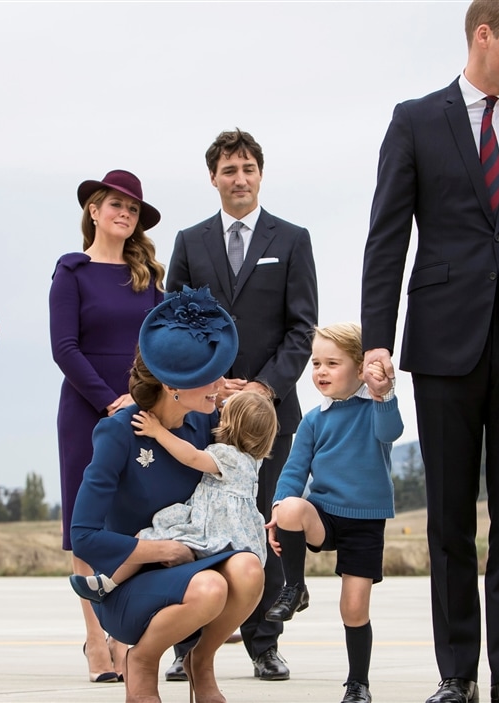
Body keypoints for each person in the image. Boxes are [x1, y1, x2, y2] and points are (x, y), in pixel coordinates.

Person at [359, 1, 499, 701]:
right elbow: (386, 238)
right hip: (441, 344)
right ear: (483, 36)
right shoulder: (414, 119)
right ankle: (456, 673)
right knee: (450, 519)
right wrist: (377, 340)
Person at [164, 128, 318, 682]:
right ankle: (186, 644)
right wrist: (209, 384)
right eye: (229, 169)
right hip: (202, 410)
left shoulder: (293, 239)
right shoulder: (189, 241)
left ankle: (263, 643)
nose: (240, 178)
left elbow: (303, 329)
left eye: (248, 168)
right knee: (196, 523)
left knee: (263, 525)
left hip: (268, 415)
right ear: (214, 178)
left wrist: (260, 388)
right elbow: (173, 325)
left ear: (260, 174)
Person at [71, 286, 265, 703]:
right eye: (209, 377)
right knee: (210, 588)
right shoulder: (119, 432)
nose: (220, 383)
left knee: (249, 568)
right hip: (129, 582)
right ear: (173, 385)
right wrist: (159, 550)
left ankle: (201, 660)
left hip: (194, 565)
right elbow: (84, 535)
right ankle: (142, 660)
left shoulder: (205, 431)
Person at [50, 169, 164, 682]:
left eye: (132, 208)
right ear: (93, 210)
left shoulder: (149, 278)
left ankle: (123, 636)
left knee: (131, 522)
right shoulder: (71, 271)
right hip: (86, 409)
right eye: (114, 204)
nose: (124, 213)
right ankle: (96, 642)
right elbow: (64, 348)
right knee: (87, 523)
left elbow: (164, 347)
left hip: (142, 412)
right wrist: (107, 400)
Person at [266, 322, 403, 703]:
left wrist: (384, 394)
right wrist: (278, 512)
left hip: (364, 523)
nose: (321, 372)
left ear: (361, 368)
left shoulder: (376, 409)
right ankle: (295, 587)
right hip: (323, 517)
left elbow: (391, 431)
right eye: (315, 364)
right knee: (290, 506)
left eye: (331, 363)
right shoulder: (313, 420)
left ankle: (358, 683)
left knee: (354, 608)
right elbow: (293, 471)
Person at [70, 391, 277, 602]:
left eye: (224, 414)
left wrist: (158, 432)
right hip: (230, 534)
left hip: (208, 529)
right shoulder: (252, 461)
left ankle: (107, 582)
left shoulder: (228, 456)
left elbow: (191, 456)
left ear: (230, 425)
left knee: (149, 534)